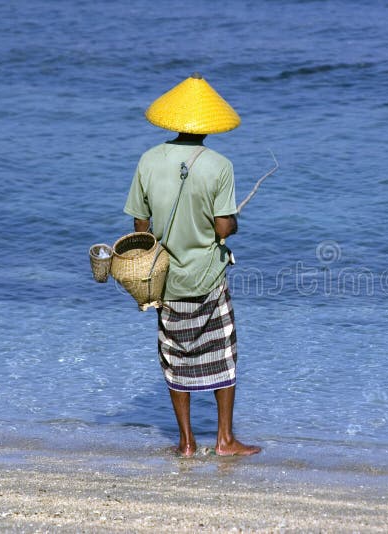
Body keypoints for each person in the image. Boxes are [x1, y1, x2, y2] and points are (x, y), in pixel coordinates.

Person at [123, 73, 261, 458]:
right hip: (207, 277)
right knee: (223, 352)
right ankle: (224, 440)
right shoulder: (220, 166)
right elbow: (222, 228)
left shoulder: (148, 160)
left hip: (166, 279)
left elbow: (139, 226)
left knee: (174, 353)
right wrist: (232, 223)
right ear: (207, 124)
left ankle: (185, 443)